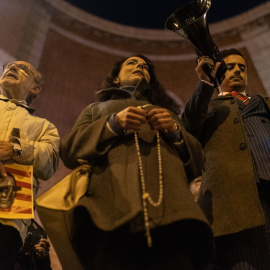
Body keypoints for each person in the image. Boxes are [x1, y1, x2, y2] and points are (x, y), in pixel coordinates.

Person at [60, 54, 214, 270]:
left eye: (145, 66)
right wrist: (112, 124)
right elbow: (68, 150)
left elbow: (198, 163)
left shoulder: (168, 114)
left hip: (174, 215)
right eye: (131, 63)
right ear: (115, 78)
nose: (139, 67)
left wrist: (175, 131)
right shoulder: (95, 110)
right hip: (108, 214)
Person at [182, 48, 270, 269]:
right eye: (230, 67)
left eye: (242, 67)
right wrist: (204, 83)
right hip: (236, 204)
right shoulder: (207, 107)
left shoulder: (265, 102)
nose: (238, 71)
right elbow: (189, 127)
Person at [0, 61, 60, 269]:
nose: (11, 68)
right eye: (8, 67)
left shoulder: (44, 127)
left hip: (9, 218)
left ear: (35, 88)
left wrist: (16, 149)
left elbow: (50, 163)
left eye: (22, 69)